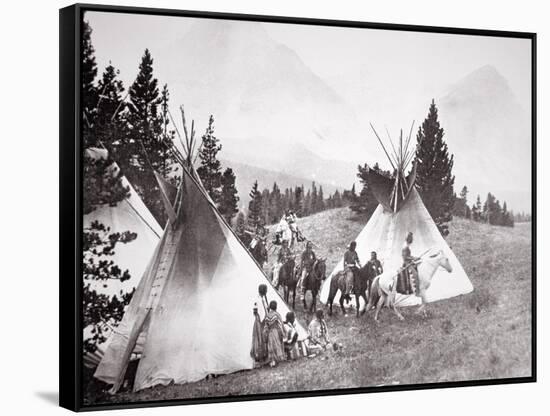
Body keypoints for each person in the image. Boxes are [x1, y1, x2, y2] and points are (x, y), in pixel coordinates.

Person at [262, 300, 286, 367]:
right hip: (276, 331)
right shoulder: (277, 314)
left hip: (270, 333)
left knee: (271, 346)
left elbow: (266, 326)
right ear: (276, 307)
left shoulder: (267, 316)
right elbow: (281, 324)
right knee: (277, 345)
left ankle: (272, 361)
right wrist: (284, 331)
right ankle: (278, 359)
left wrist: (265, 334)